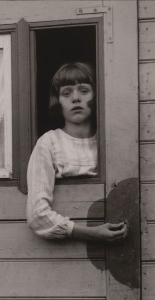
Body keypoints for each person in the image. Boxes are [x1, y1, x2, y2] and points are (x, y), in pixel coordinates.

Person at [27, 62, 128, 242]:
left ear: (96, 95)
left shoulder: (110, 142)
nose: (75, 98)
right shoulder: (48, 143)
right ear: (58, 100)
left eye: (83, 90)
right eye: (67, 93)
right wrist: (90, 233)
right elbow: (36, 214)